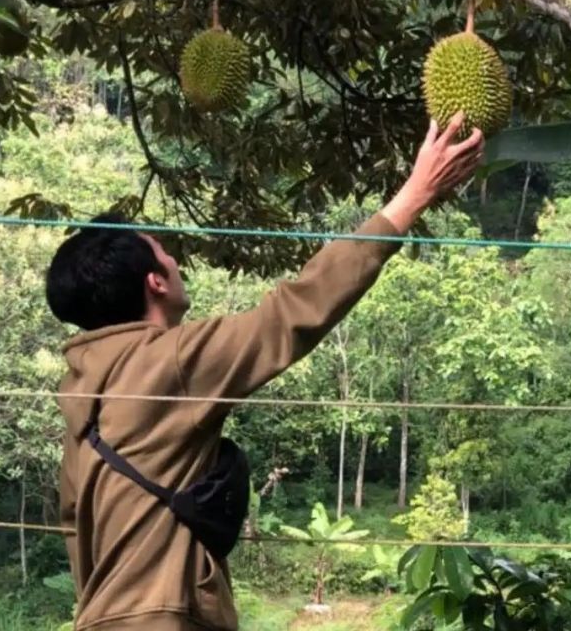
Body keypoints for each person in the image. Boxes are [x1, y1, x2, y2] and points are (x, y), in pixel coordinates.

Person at [44, 113, 485, 631]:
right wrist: (414, 194)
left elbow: (75, 525)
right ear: (155, 282)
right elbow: (293, 313)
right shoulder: (174, 360)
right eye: (167, 254)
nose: (176, 262)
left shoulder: (80, 395)